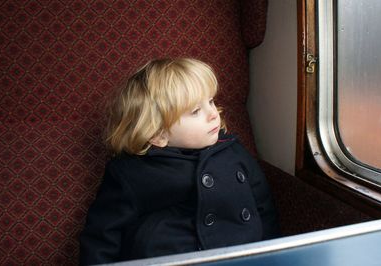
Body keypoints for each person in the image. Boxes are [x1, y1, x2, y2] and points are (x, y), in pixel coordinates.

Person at [79, 58, 279, 265]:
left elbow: (263, 208)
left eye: (211, 101)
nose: (213, 114)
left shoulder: (234, 151)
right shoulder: (133, 172)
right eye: (195, 111)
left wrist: (272, 256)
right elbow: (103, 234)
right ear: (158, 134)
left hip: (239, 255)